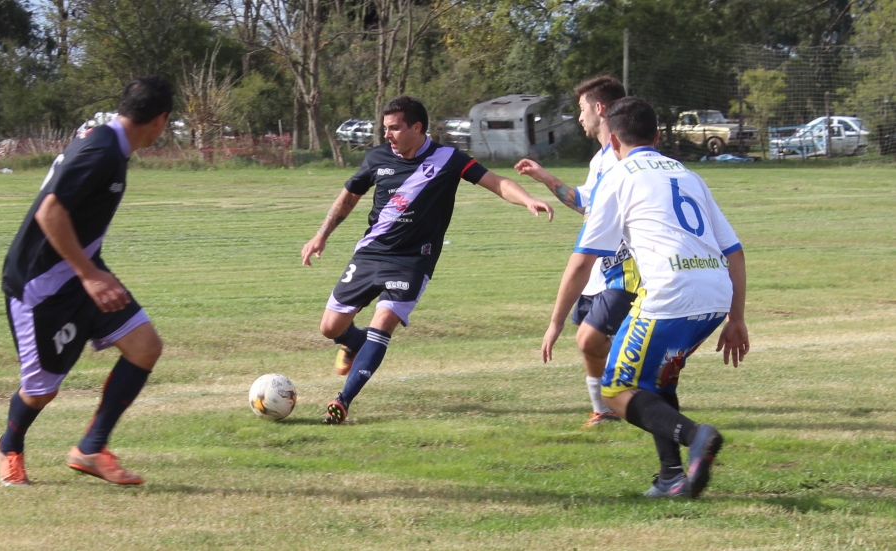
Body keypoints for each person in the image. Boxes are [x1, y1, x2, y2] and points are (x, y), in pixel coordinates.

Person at [540, 97, 749, 499]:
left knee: (616, 391)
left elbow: (583, 261)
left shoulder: (616, 178)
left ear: (613, 142)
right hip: (715, 295)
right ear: (657, 136)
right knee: (655, 380)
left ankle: (697, 436)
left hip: (670, 294)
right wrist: (736, 318)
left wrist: (554, 322)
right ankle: (671, 476)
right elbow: (734, 251)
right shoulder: (688, 175)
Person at [302, 95, 554, 424]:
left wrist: (527, 200)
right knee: (330, 327)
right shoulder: (377, 158)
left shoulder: (448, 159)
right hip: (371, 252)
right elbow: (349, 196)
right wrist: (322, 234)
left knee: (383, 324)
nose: (387, 135)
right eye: (385, 129)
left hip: (412, 262)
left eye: (394, 128)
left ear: (417, 128)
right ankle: (355, 344)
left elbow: (497, 182)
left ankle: (342, 401)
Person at [0, 76, 173, 486]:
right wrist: (90, 274)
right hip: (40, 285)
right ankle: (9, 445)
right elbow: (50, 213)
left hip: (80, 272)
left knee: (144, 346)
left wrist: (90, 271)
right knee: (40, 391)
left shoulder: (109, 143)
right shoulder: (101, 150)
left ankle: (91, 448)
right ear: (160, 120)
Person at [515, 75, 636, 428]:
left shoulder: (622, 156)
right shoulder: (601, 159)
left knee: (590, 338)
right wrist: (546, 178)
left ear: (600, 109)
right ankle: (606, 408)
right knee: (589, 339)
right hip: (602, 268)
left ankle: (629, 399)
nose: (579, 117)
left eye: (582, 109)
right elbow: (586, 204)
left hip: (626, 267)